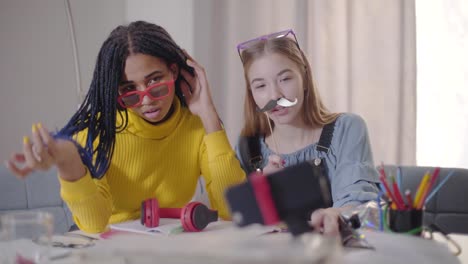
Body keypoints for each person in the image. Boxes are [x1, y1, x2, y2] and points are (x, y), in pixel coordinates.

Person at [5, 21, 246, 233]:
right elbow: (94, 224)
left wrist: (209, 115)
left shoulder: (196, 126)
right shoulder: (96, 133)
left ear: (174, 71)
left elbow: (233, 207)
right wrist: (69, 163)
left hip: (169, 247)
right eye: (129, 90)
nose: (147, 100)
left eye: (154, 81)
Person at [235, 29, 379, 236]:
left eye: (285, 79)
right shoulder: (249, 147)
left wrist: (334, 215)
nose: (274, 95)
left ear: (304, 76)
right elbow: (234, 220)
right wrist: (261, 193)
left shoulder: (347, 129)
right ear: (252, 94)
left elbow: (359, 205)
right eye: (260, 86)